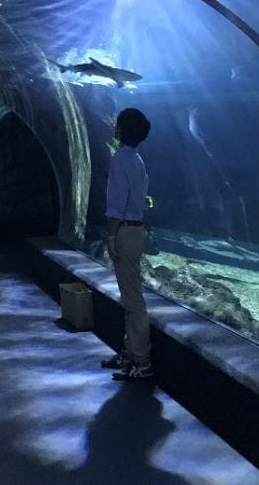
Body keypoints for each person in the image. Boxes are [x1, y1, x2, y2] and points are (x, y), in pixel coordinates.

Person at [101, 107, 153, 381]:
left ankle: (142, 361)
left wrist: (111, 236)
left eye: (117, 123)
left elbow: (116, 203)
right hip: (136, 230)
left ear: (121, 129)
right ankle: (130, 351)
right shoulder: (136, 158)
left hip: (124, 231)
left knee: (133, 299)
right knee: (129, 295)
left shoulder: (120, 159)